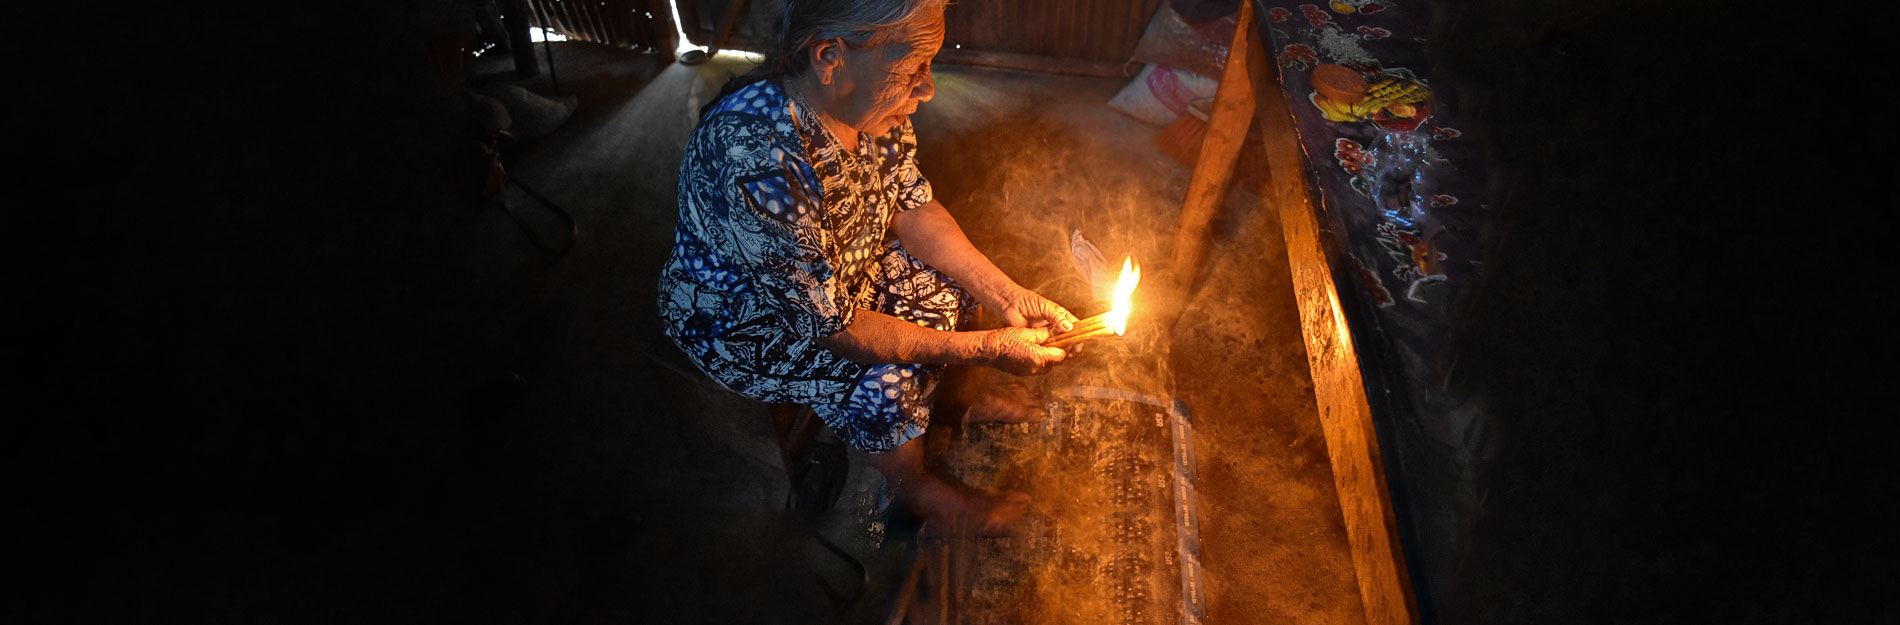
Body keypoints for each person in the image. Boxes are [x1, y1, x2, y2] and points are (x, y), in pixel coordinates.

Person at [658, 0, 1077, 536]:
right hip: (749, 319)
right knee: (889, 377)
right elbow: (837, 328)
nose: (926, 88)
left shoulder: (868, 108)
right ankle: (912, 488)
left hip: (838, 274)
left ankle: (959, 400)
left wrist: (1006, 294)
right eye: (912, 68)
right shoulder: (757, 161)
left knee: (957, 287)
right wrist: (990, 347)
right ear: (830, 56)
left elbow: (911, 202)